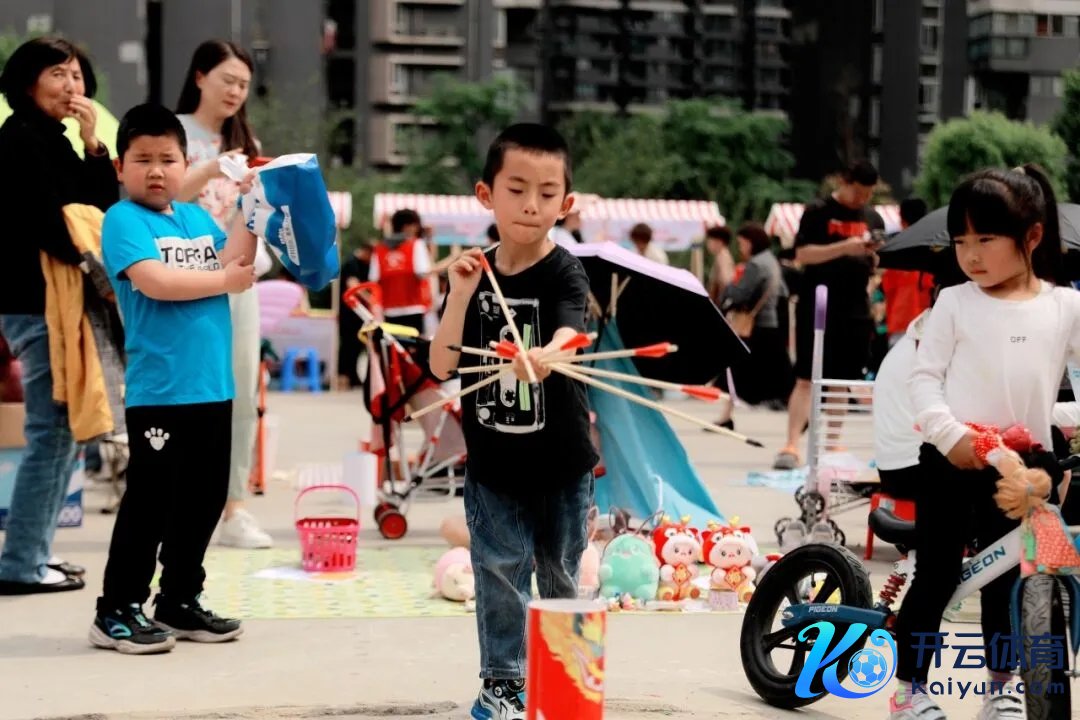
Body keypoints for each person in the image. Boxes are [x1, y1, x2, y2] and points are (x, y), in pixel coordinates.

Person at [892, 164, 1077, 720]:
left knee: (1009, 578)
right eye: (960, 241)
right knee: (939, 572)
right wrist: (949, 436)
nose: (970, 254)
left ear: (1032, 237)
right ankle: (910, 689)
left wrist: (1059, 426)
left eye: (985, 239)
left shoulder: (1064, 306)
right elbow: (923, 378)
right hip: (954, 458)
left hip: (1024, 468)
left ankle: (1003, 686)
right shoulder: (954, 301)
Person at [428, 123, 598, 720]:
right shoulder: (472, 273)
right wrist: (458, 294)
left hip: (563, 465)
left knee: (560, 571)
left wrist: (545, 357)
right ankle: (503, 682)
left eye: (547, 192)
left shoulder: (565, 272)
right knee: (498, 572)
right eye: (517, 188)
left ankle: (567, 677)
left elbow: (569, 336)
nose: (531, 204)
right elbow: (442, 363)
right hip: (494, 466)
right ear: (485, 194)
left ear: (566, 203)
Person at [91, 104, 255, 654]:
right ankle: (116, 608)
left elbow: (236, 260)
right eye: (143, 160)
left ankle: (179, 599)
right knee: (151, 501)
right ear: (121, 167)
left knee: (203, 499)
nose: (156, 170)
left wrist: (251, 209)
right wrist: (223, 278)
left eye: (168, 159)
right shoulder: (122, 220)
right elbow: (157, 282)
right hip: (161, 391)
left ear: (186, 164)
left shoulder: (193, 218)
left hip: (213, 387)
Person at [0, 37, 118, 595]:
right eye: (58, 74)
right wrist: (92, 260)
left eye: (77, 76)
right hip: (34, 301)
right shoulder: (18, 140)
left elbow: (99, 208)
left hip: (51, 300)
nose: (72, 86)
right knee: (51, 435)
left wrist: (95, 143)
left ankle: (34, 555)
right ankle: (21, 563)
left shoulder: (56, 140)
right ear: (28, 83)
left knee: (63, 436)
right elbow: (51, 224)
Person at [175, 39, 272, 550]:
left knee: (241, 393)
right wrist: (213, 168)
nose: (236, 91)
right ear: (199, 77)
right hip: (183, 280)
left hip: (239, 278)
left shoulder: (247, 138)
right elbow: (162, 195)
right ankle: (182, 500)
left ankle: (233, 506)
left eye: (243, 85)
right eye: (227, 80)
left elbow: (255, 212)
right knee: (186, 393)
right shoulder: (175, 131)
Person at [773, 161, 884, 470]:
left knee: (841, 381)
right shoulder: (818, 211)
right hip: (818, 304)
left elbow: (876, 261)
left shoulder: (872, 217)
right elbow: (802, 254)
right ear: (843, 181)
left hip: (856, 308)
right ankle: (792, 443)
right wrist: (845, 247)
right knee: (806, 377)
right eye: (858, 192)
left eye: (868, 194)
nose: (862, 199)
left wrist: (872, 254)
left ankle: (832, 441)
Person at [715, 223, 792, 428]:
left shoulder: (756, 264)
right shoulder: (771, 261)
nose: (740, 248)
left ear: (751, 242)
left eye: (741, 243)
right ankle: (725, 416)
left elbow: (741, 293)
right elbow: (783, 291)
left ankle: (726, 416)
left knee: (734, 369)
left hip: (755, 328)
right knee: (780, 376)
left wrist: (729, 286)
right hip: (771, 324)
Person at [369, 208, 433, 334]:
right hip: (414, 308)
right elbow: (423, 272)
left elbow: (373, 278)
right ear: (409, 226)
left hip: (389, 310)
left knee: (394, 350)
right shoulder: (417, 244)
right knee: (414, 351)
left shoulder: (379, 249)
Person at [881, 197, 934, 348]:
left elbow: (887, 288)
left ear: (902, 222)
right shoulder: (937, 250)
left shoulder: (894, 252)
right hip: (930, 325)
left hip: (900, 324)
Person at [338, 241, 373, 389]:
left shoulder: (364, 265)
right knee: (348, 345)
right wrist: (371, 299)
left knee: (357, 345)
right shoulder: (352, 264)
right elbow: (353, 285)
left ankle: (353, 375)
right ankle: (344, 377)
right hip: (350, 311)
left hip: (359, 313)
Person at [705, 225, 736, 306]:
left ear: (719, 241)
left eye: (709, 241)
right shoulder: (722, 255)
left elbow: (726, 280)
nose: (708, 244)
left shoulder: (722, 257)